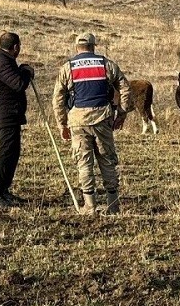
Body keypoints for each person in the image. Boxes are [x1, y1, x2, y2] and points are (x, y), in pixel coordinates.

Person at [52, 32, 132, 215]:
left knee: (84, 163)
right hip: (103, 118)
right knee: (107, 160)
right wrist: (122, 112)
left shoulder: (68, 67)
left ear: (76, 47)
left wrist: (61, 124)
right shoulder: (106, 64)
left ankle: (89, 206)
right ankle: (113, 206)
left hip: (78, 120)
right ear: (94, 46)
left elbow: (57, 98)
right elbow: (125, 88)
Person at [0, 31, 34, 209]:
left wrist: (21, 70)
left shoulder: (2, 60)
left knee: (12, 153)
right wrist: (27, 72)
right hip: (6, 115)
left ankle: (4, 191)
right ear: (16, 47)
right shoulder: (2, 62)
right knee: (6, 153)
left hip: (10, 114)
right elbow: (19, 84)